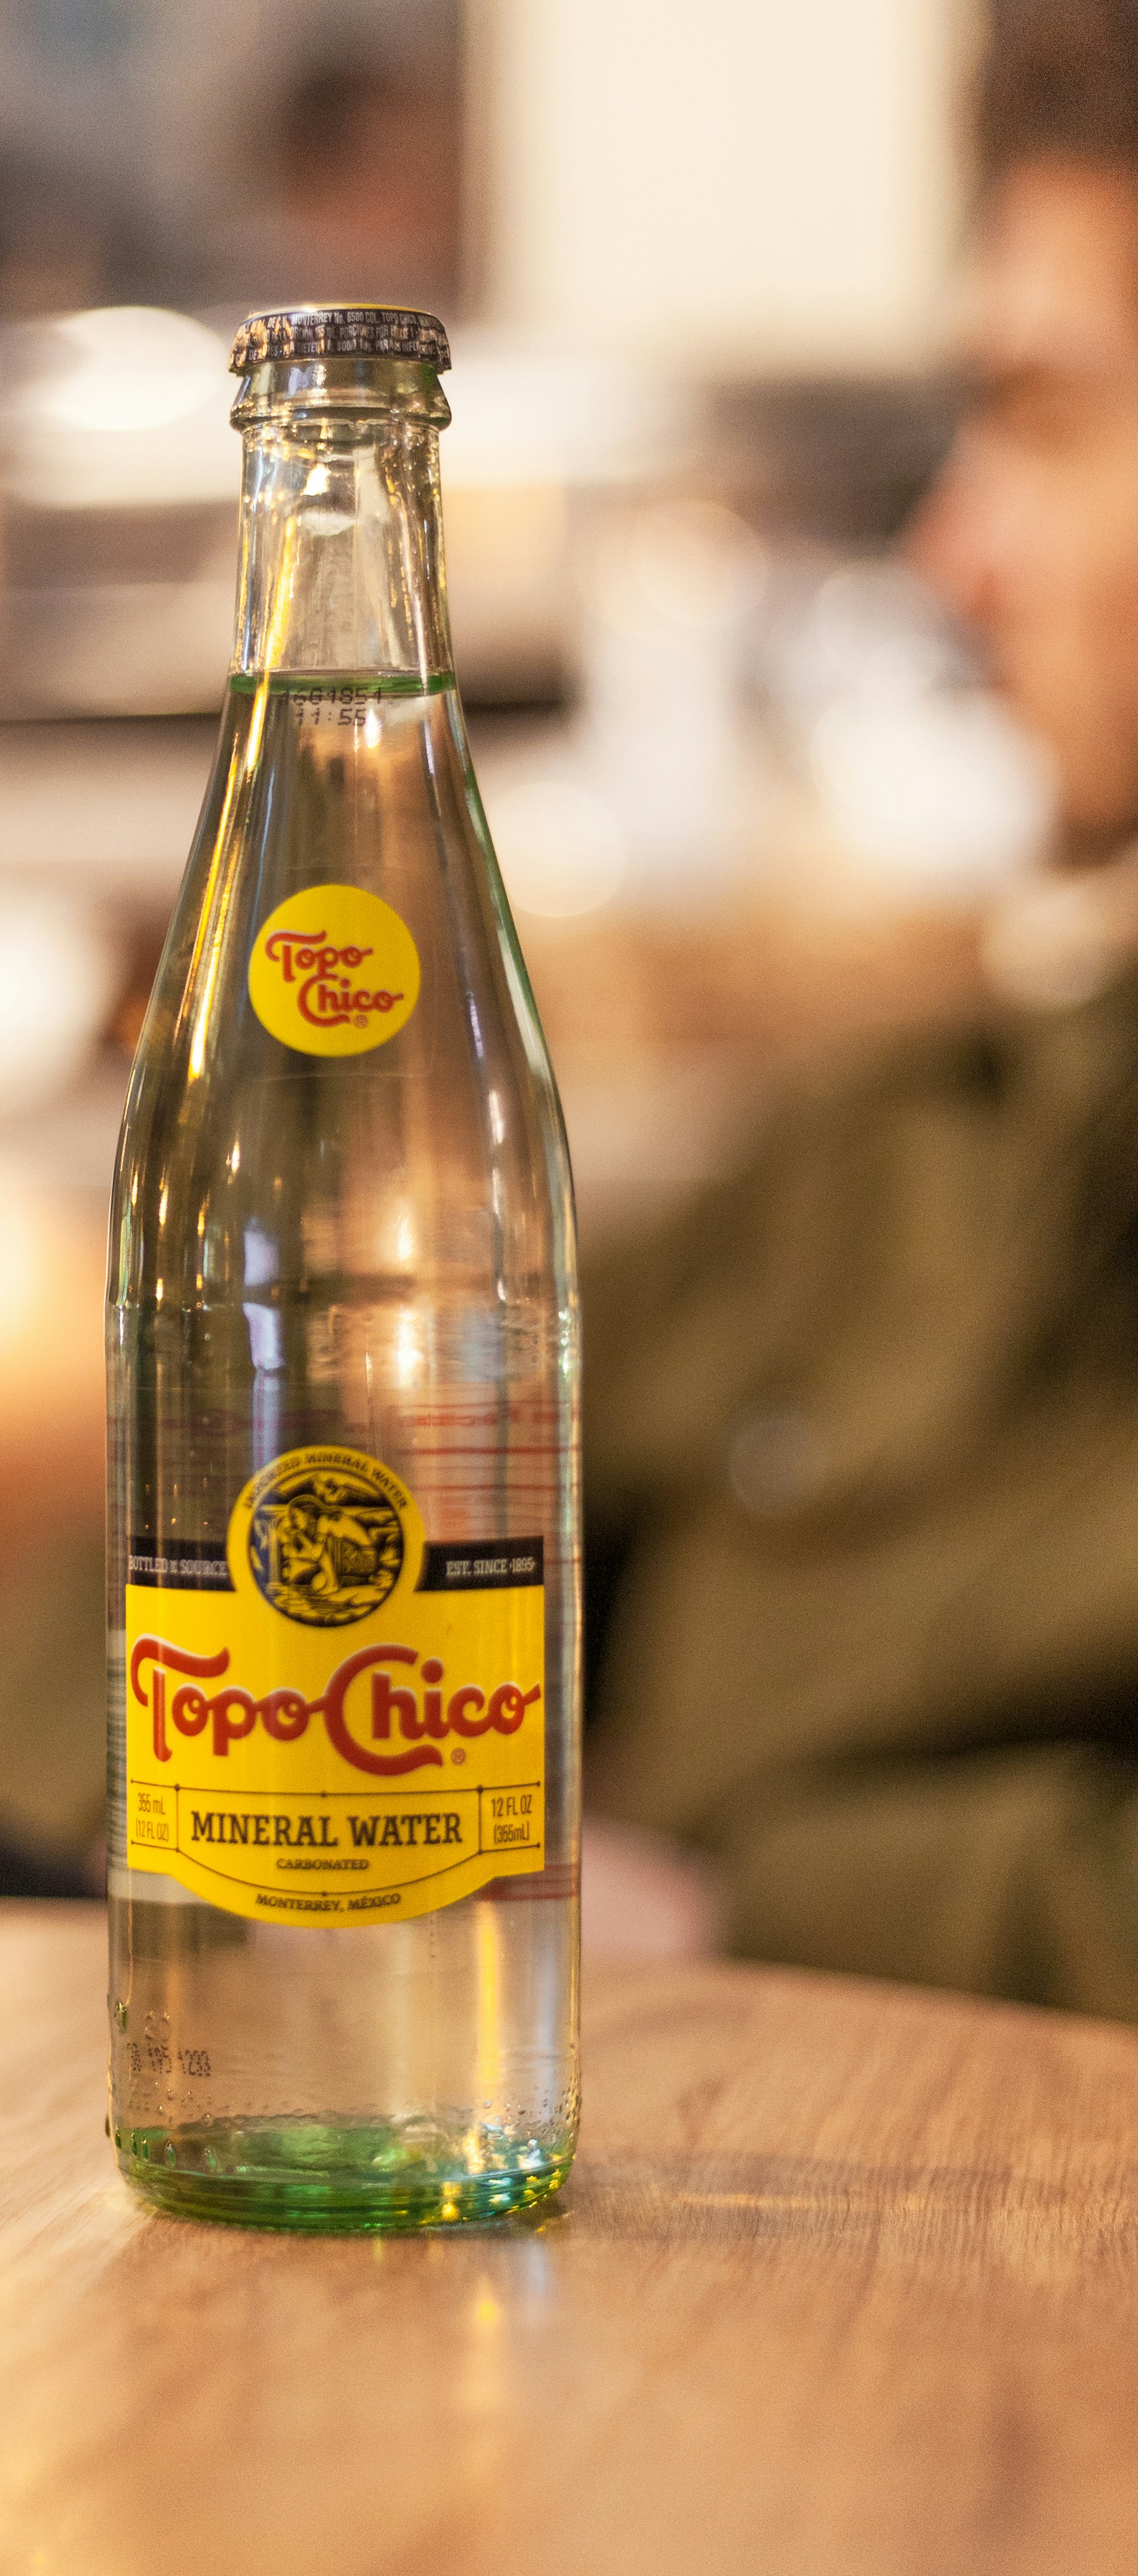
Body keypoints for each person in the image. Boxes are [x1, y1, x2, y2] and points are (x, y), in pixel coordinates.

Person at [582, 0, 1138, 2017]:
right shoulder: (918, 1131)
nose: (953, 555)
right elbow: (250, 1473)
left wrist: (734, 1922)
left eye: (1047, 419)